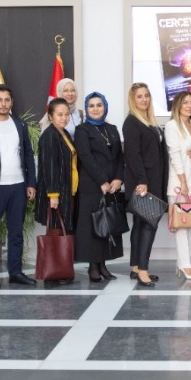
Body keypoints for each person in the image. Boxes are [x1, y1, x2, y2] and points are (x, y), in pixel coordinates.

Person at [0, 84, 36, 289]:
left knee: (16, 232)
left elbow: (28, 155)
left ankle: (15, 272)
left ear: (11, 102)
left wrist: (31, 183)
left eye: (7, 100)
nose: (3, 104)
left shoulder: (20, 125)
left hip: (18, 186)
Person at [75, 91, 127, 283]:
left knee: (108, 224)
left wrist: (118, 179)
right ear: (86, 109)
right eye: (91, 106)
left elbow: (120, 156)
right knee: (93, 227)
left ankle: (103, 265)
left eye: (99, 105)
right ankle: (93, 267)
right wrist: (102, 181)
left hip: (112, 186)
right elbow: (86, 158)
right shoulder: (82, 130)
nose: (95, 109)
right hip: (92, 186)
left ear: (105, 107)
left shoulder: (112, 129)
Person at [121, 84, 166, 287]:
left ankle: (136, 267)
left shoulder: (149, 121)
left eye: (146, 95)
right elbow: (133, 155)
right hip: (143, 182)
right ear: (133, 100)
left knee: (140, 225)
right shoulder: (131, 122)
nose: (144, 99)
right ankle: (143, 271)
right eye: (139, 96)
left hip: (153, 180)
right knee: (148, 225)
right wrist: (142, 181)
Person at [35, 97, 78, 286]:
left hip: (66, 192)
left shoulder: (64, 133)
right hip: (55, 194)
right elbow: (50, 167)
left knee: (62, 231)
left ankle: (61, 270)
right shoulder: (49, 136)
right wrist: (53, 195)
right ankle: (51, 273)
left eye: (67, 114)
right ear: (51, 116)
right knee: (54, 232)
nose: (64, 118)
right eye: (59, 114)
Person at [165, 91, 191, 281]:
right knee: (181, 226)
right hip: (179, 183)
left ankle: (183, 262)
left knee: (190, 224)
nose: (189, 106)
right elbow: (174, 155)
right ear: (177, 105)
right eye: (185, 102)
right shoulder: (172, 126)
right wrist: (182, 182)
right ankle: (186, 266)